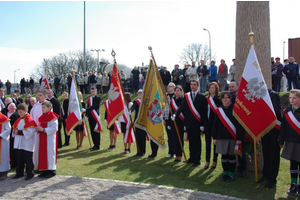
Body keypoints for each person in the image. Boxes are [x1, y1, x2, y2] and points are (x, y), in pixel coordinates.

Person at [172, 80, 206, 167]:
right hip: (189, 123)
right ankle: (192, 157)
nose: (193, 86)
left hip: (197, 123)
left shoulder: (202, 97)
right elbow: (181, 107)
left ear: (198, 86)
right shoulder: (187, 96)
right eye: (191, 85)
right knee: (191, 141)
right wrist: (175, 114)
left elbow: (203, 112)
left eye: (194, 85)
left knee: (197, 141)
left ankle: (197, 159)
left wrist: (202, 125)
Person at [212, 91, 243, 182]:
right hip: (221, 136)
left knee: (231, 156)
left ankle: (231, 174)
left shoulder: (235, 109)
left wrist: (239, 138)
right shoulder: (219, 110)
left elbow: (239, 125)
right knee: (224, 156)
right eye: (224, 98)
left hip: (232, 137)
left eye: (227, 98)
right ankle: (225, 172)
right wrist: (214, 137)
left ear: (230, 99)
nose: (226, 99)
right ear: (221, 99)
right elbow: (215, 125)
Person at [257, 89, 282, 188]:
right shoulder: (259, 94)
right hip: (265, 130)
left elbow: (276, 111)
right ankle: (265, 174)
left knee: (274, 155)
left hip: (274, 130)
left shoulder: (273, 95)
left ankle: (272, 178)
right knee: (266, 153)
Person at [279, 89, 300, 195]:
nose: (292, 100)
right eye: (290, 98)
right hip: (290, 141)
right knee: (293, 164)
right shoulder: (287, 111)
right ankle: (293, 184)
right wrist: (281, 140)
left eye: (295, 98)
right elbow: (284, 127)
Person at [11, 103, 37, 181]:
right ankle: (19, 172)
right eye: (18, 112)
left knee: (28, 159)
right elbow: (14, 128)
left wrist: (19, 132)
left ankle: (30, 173)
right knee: (19, 158)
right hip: (19, 142)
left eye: (21, 112)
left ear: (26, 111)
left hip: (27, 143)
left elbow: (31, 131)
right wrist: (15, 131)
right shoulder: (18, 119)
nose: (19, 114)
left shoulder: (30, 120)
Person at [35, 101, 58, 178]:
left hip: (49, 138)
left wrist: (44, 130)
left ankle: (51, 170)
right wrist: (38, 128)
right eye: (42, 107)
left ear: (49, 108)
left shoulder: (52, 116)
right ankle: (44, 170)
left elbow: (55, 128)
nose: (42, 109)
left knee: (50, 153)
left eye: (44, 107)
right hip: (42, 137)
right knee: (42, 152)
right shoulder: (43, 116)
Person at [228, 81, 247, 177]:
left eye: (233, 86)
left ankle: (242, 168)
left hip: (239, 126)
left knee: (240, 149)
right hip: (230, 125)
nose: (231, 88)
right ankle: (231, 167)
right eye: (230, 86)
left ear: (237, 87)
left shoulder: (241, 98)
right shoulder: (227, 97)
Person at [202, 82, 221, 169]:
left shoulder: (218, 99)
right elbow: (203, 113)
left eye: (213, 88)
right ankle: (207, 160)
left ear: (216, 89)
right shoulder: (206, 99)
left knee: (215, 143)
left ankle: (214, 160)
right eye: (210, 88)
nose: (211, 89)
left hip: (215, 124)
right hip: (207, 123)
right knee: (207, 142)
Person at [30, 90, 47, 169]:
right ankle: (35, 165)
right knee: (35, 148)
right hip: (35, 130)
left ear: (45, 96)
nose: (38, 97)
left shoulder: (47, 105)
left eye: (40, 95)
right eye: (38, 95)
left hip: (43, 130)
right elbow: (31, 118)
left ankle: (43, 165)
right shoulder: (35, 106)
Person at [170, 85, 185, 162]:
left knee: (180, 138)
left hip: (180, 121)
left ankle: (180, 155)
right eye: (175, 90)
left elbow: (181, 108)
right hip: (173, 121)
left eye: (178, 90)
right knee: (175, 138)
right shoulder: (172, 100)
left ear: (181, 91)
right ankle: (176, 154)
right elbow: (170, 111)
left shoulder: (183, 99)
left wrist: (176, 114)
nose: (176, 92)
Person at [130, 89, 146, 156]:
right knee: (138, 137)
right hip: (137, 121)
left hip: (143, 121)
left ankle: (143, 151)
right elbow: (133, 107)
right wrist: (130, 111)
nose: (140, 96)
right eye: (139, 94)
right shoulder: (136, 101)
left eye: (141, 94)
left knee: (143, 137)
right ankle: (138, 151)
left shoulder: (145, 102)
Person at [163, 82, 176, 158]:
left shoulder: (175, 96)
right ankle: (170, 152)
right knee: (169, 136)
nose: (168, 87)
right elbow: (164, 108)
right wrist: (164, 118)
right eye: (168, 86)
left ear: (173, 88)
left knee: (174, 135)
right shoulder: (166, 96)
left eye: (170, 86)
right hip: (167, 118)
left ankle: (175, 152)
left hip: (174, 118)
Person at [6, 103, 19, 169]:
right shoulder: (5, 114)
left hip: (13, 133)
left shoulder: (16, 115)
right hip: (6, 134)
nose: (13, 108)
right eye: (11, 107)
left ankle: (15, 163)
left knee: (13, 148)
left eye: (14, 106)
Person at [0, 106, 11, 181]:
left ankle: (3, 172)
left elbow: (8, 129)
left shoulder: (4, 118)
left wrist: (1, 135)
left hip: (2, 141)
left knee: (3, 155)